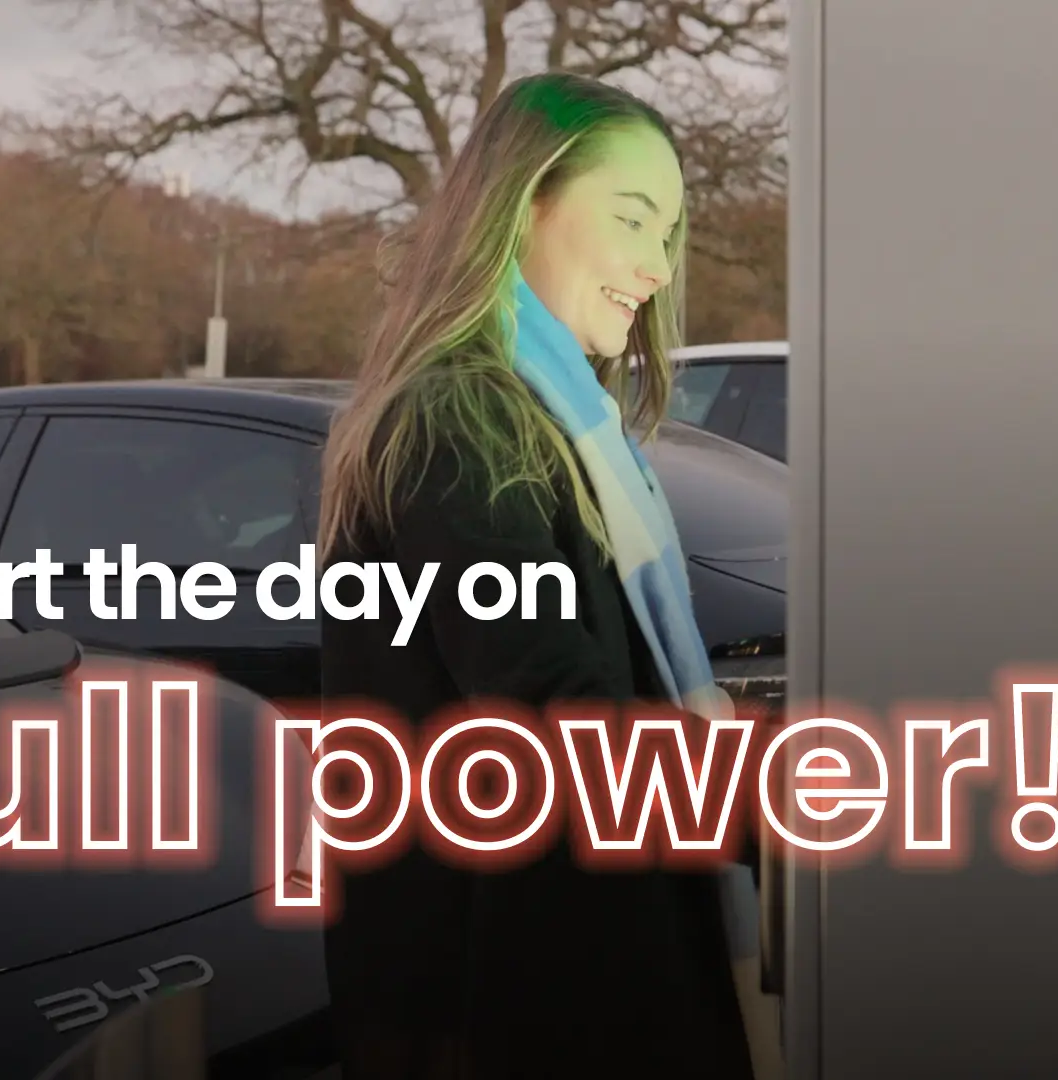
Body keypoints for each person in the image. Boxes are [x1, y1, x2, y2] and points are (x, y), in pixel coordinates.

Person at [314, 71, 771, 1080]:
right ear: (525, 208)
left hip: (568, 962)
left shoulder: (556, 422)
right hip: (515, 995)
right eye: (634, 220)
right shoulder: (458, 421)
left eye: (671, 233)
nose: (657, 266)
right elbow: (555, 713)